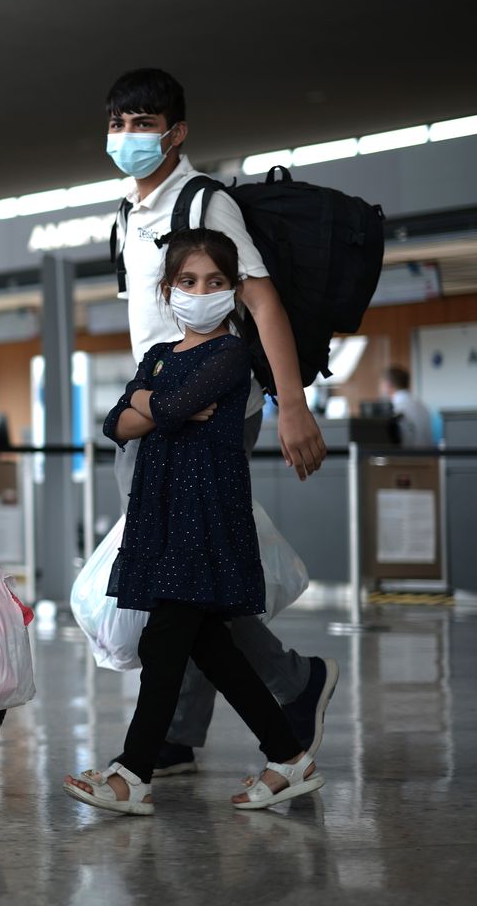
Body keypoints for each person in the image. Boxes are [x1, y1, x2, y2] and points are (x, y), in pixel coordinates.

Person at [104, 68, 336, 778]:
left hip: (209, 407)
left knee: (184, 576)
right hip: (161, 397)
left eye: (143, 123)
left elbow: (262, 303)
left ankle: (287, 688)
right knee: (185, 577)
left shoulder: (204, 202)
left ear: (176, 132)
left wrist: (293, 405)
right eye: (118, 123)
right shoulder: (127, 210)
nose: (127, 137)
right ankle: (187, 728)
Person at [66, 229, 323, 815]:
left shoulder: (231, 354)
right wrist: (159, 409)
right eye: (188, 282)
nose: (200, 292)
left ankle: (132, 773)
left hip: (204, 514)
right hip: (160, 514)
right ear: (167, 289)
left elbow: (161, 409)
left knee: (165, 642)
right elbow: (114, 422)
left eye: (215, 282)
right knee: (211, 646)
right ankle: (290, 757)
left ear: (233, 292)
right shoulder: (156, 357)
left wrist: (150, 407)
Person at [383, 366, 432, 448]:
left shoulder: (396, 409)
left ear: (388, 385)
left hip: (406, 458)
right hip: (428, 457)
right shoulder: (422, 406)